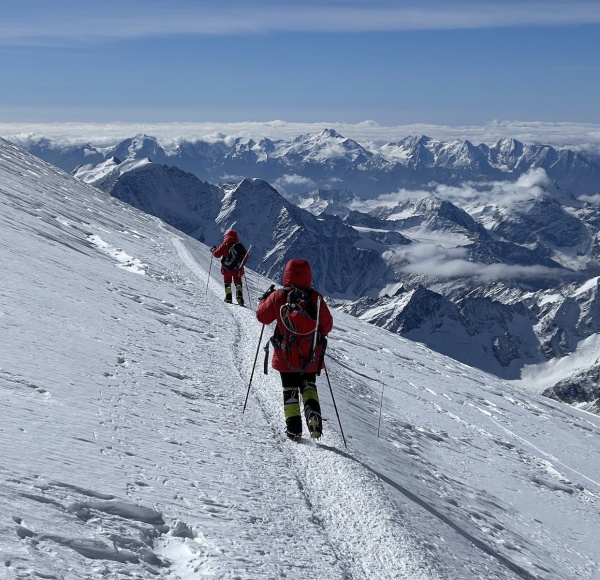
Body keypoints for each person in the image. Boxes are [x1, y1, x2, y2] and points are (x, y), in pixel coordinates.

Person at [256, 259, 333, 441]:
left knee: (289, 390)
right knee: (309, 386)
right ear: (308, 275)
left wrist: (264, 300)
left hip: (286, 356)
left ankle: (293, 430)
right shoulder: (315, 298)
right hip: (311, 356)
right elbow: (327, 326)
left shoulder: (278, 296)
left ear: (287, 273)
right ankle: (313, 414)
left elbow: (262, 317)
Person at [211, 230, 249, 305]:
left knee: (227, 282)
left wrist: (213, 249)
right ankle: (239, 296)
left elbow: (216, 254)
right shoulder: (239, 245)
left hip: (226, 269)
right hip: (237, 269)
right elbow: (246, 256)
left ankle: (228, 297)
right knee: (238, 282)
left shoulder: (225, 245)